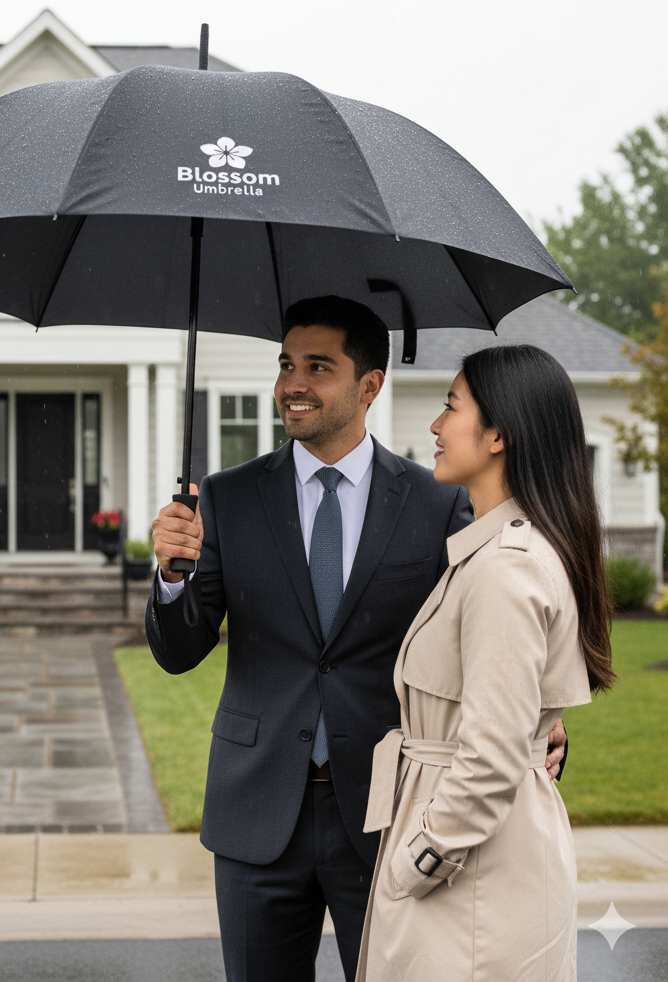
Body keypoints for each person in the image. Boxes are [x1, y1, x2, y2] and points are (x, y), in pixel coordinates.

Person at [147, 296, 568, 982]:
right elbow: (178, 651)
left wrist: (541, 724)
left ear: (370, 385)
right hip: (255, 813)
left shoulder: (436, 504)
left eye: (318, 366)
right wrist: (170, 577)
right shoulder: (226, 497)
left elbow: (486, 634)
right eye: (286, 364)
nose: (293, 384)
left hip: (386, 812)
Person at [355, 344, 614, 982]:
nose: (437, 428)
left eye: (451, 407)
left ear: (498, 434)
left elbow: (493, 751)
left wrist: (423, 855)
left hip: (472, 875)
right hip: (477, 858)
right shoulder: (494, 552)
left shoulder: (505, 567)